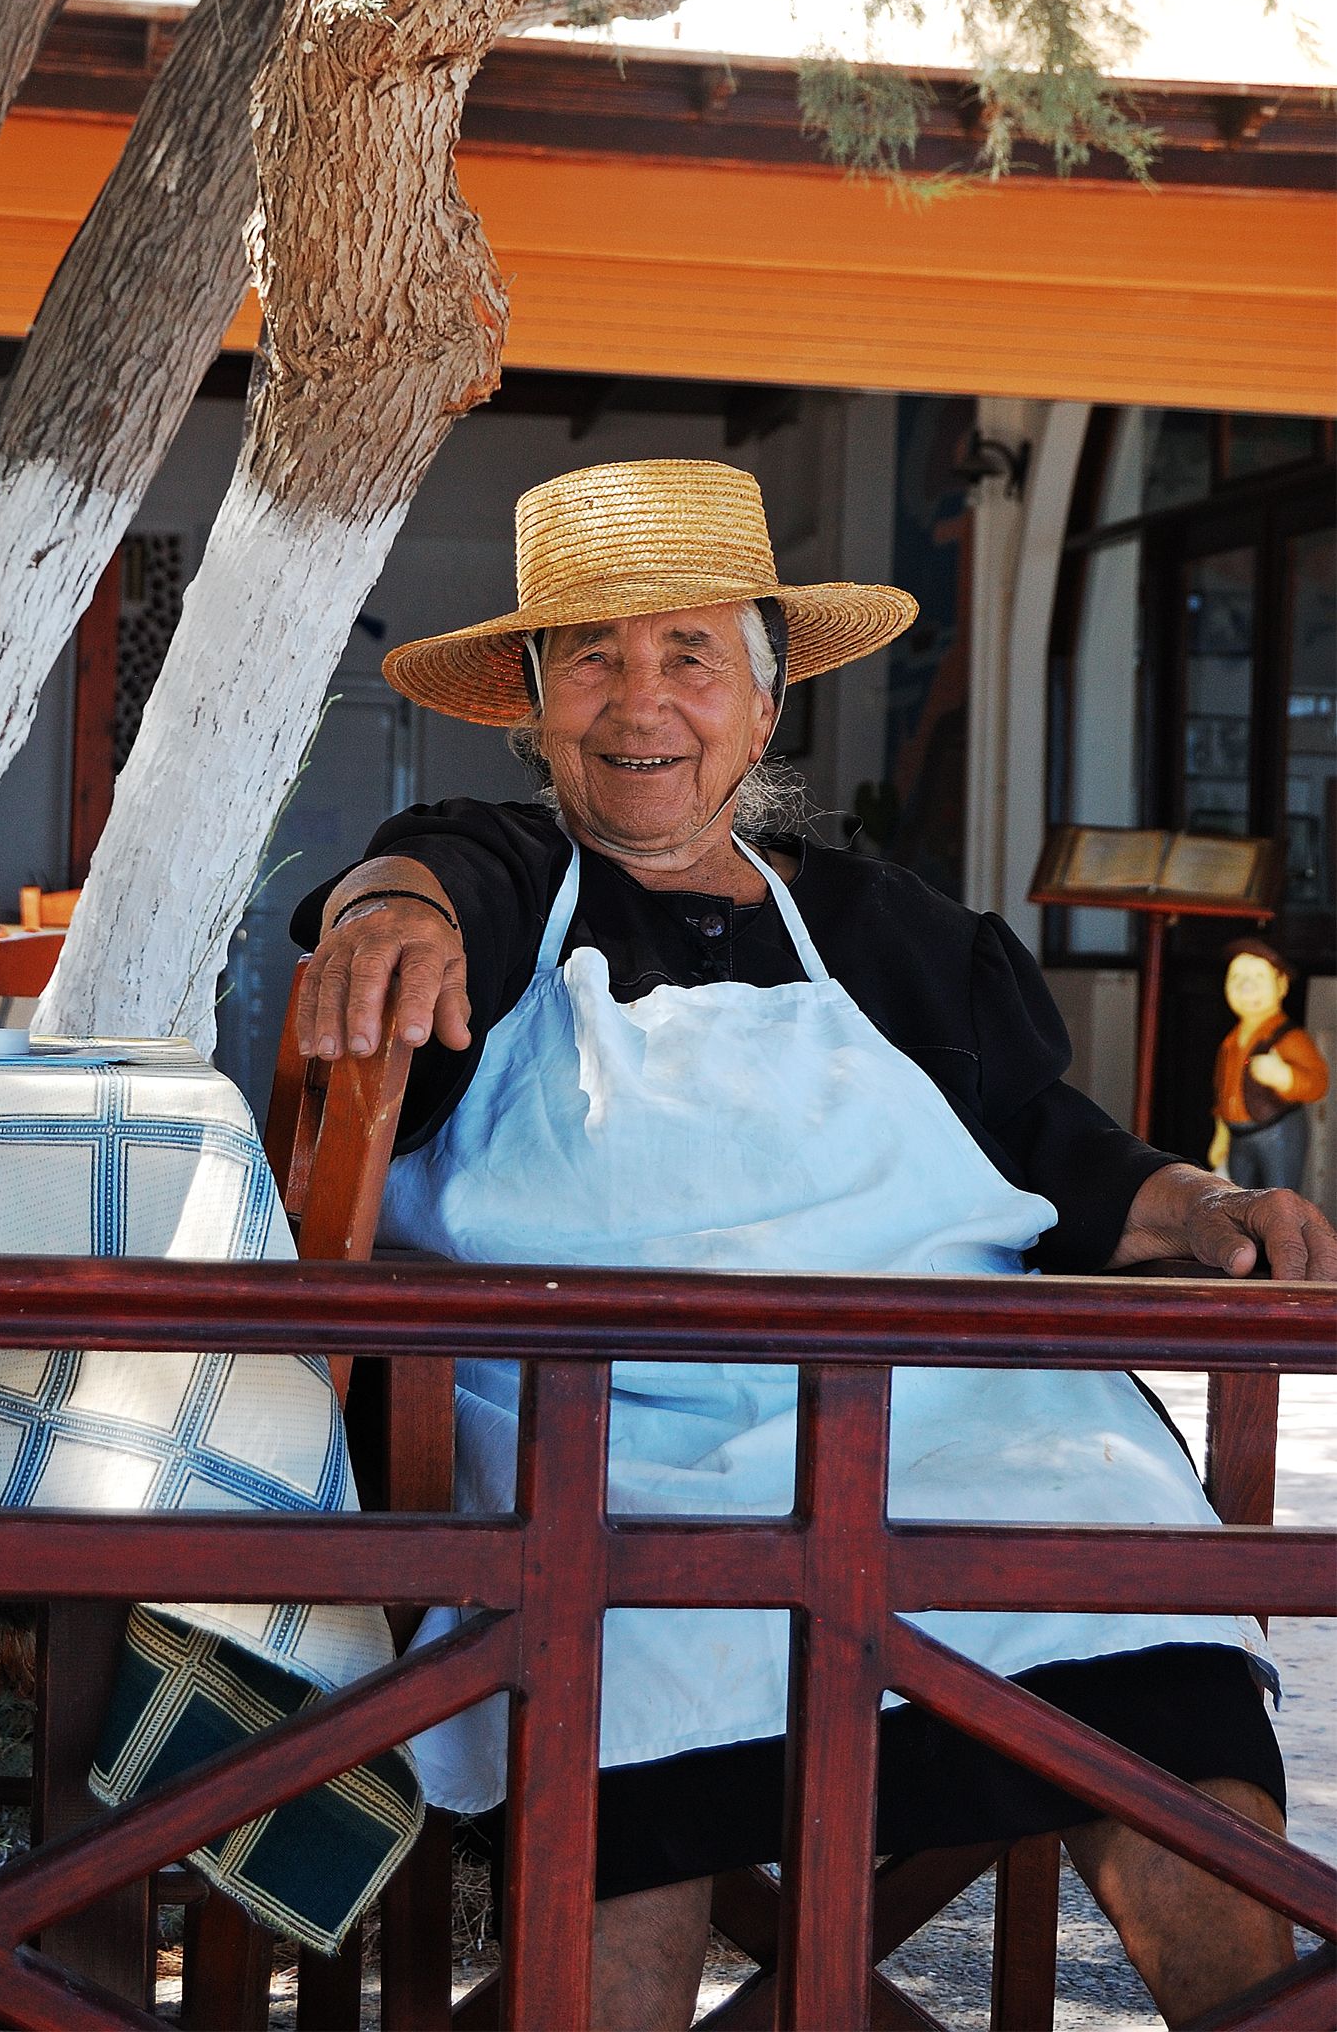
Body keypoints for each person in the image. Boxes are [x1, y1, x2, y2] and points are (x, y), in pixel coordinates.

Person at [292, 460, 1335, 2032]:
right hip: (616, 1435)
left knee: (1146, 1638)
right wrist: (385, 909)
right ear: (532, 703)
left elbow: (1051, 1149)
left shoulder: (882, 927)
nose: (643, 701)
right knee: (618, 1693)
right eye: (594, 656)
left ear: (766, 704)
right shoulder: (498, 879)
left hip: (952, 1415)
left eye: (691, 655)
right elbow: (416, 874)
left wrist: (1202, 1203)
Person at [1209, 937, 1328, 1192]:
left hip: (1278, 1133)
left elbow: (1318, 1083)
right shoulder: (1231, 1041)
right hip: (1238, 1137)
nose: (1246, 987)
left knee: (1279, 1199)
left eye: (1258, 978)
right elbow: (1224, 1092)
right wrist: (1222, 1135)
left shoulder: (1290, 1038)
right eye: (1237, 977)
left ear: (1281, 984)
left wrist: (1285, 1077)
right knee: (1238, 1200)